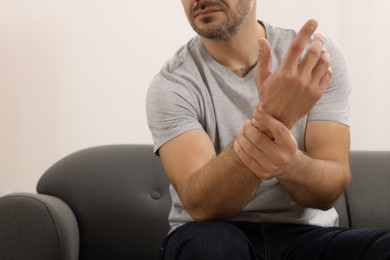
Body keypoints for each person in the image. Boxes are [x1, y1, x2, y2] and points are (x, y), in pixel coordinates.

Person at [146, 0, 390, 259]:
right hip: (211, 232)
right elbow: (204, 205)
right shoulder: (171, 85)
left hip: (306, 235)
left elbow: (329, 189)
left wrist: (290, 164)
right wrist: (274, 118)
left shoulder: (315, 60)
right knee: (212, 248)